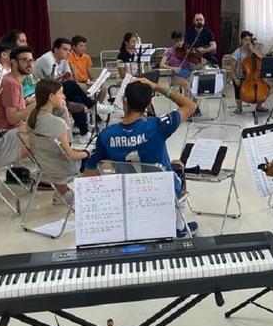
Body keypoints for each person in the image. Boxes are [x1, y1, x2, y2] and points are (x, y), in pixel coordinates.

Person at [84, 76, 199, 237]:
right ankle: (179, 227)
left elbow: (89, 171)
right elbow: (191, 105)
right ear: (147, 105)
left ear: (124, 101)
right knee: (177, 165)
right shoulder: (157, 125)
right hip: (161, 191)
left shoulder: (106, 135)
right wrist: (156, 86)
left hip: (127, 193)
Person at [27, 79, 89, 202]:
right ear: (51, 97)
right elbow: (70, 154)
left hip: (44, 165)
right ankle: (85, 196)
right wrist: (86, 152)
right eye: (61, 93)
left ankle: (63, 193)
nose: (64, 97)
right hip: (62, 167)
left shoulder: (31, 117)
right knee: (94, 157)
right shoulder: (57, 123)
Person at [35, 38, 110, 137]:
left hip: (57, 89)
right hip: (43, 90)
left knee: (77, 100)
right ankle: (92, 106)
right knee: (71, 84)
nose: (68, 52)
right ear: (56, 50)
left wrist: (66, 71)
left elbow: (68, 76)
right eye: (65, 49)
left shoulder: (64, 59)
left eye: (69, 50)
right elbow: (52, 82)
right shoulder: (47, 59)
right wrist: (63, 77)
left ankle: (84, 133)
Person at [0, 46, 36, 132]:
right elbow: (11, 119)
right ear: (14, 62)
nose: (29, 64)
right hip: (6, 132)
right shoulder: (11, 83)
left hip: (14, 129)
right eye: (25, 60)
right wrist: (34, 106)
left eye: (31, 60)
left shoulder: (12, 80)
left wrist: (28, 102)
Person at [226, 30, 267, 114]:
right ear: (241, 40)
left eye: (249, 40)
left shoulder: (253, 50)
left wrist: (253, 49)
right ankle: (239, 108)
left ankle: (259, 106)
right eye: (245, 39)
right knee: (237, 87)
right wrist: (235, 79)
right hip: (240, 76)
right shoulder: (237, 53)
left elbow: (263, 58)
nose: (248, 42)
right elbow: (232, 68)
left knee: (264, 84)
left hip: (254, 76)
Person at [69, 35, 107, 102]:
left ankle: (97, 105)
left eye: (84, 46)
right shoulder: (70, 57)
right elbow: (72, 72)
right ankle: (89, 104)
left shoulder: (87, 57)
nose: (83, 48)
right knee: (83, 87)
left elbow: (89, 72)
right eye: (81, 46)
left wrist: (95, 81)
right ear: (74, 47)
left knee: (103, 88)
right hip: (76, 82)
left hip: (86, 81)